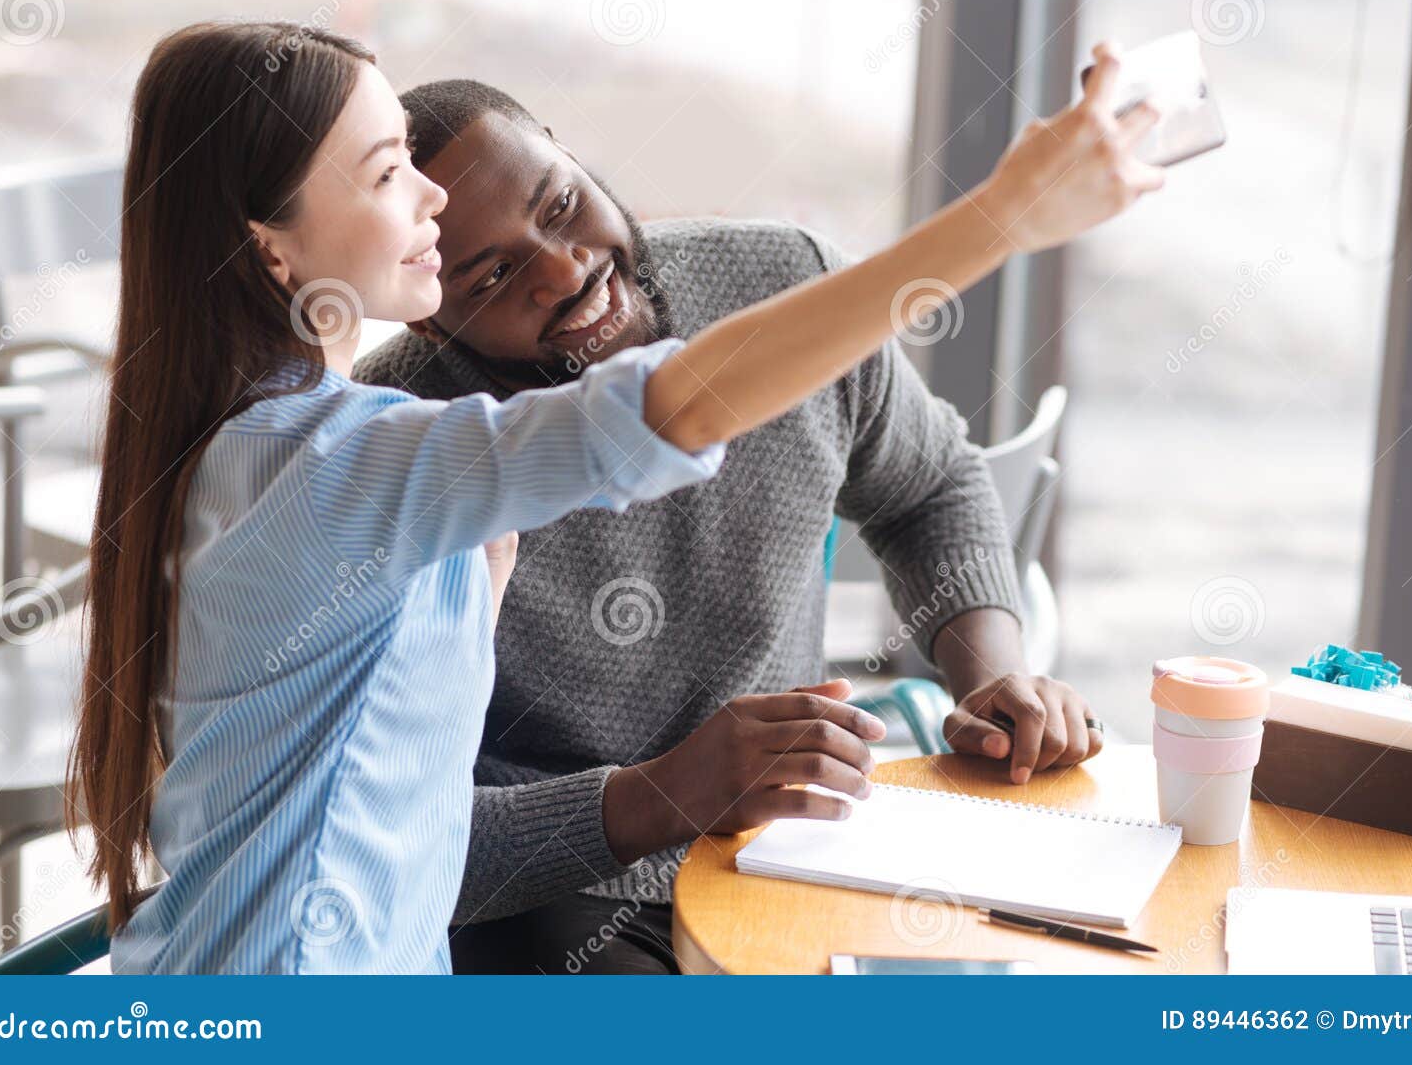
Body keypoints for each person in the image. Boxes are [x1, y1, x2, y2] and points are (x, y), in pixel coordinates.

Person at [70, 19, 1161, 973]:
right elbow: (665, 415)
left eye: (412, 160)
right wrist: (1006, 215)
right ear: (272, 253)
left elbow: (401, 809)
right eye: (391, 171)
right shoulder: (351, 457)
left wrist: (991, 674)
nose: (436, 201)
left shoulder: (311, 446)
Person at [353, 79, 1139, 973]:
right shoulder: (391, 446)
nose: (565, 272)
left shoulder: (783, 289)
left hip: (794, 849)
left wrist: (993, 679)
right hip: (551, 895)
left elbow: (931, 487)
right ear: (420, 298)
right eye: (490, 275)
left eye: (561, 203)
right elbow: (387, 846)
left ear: (570, 152)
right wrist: (661, 797)